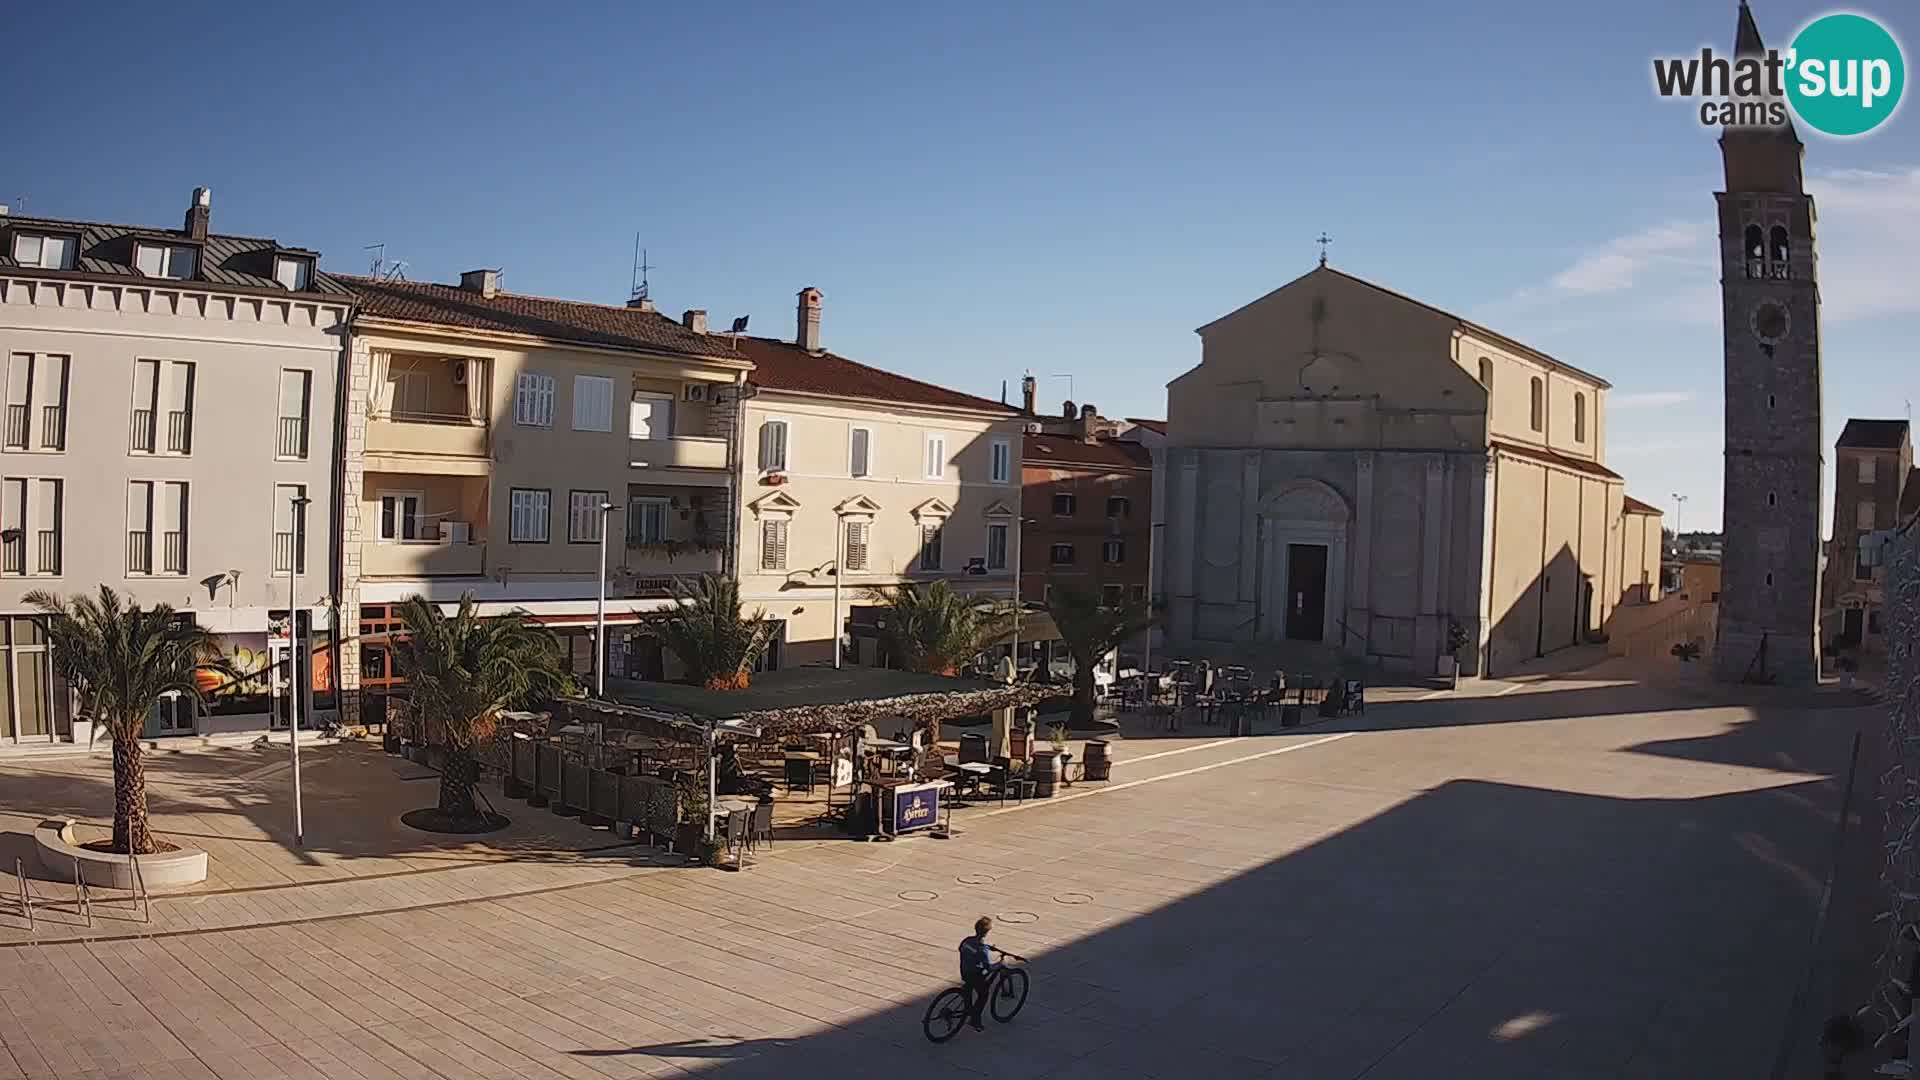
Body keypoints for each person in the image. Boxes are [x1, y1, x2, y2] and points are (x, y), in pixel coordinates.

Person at [958, 915, 999, 1030]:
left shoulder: (967, 940)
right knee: (983, 994)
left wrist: (985, 947)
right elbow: (989, 967)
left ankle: (968, 1008)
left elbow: (962, 948)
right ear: (986, 933)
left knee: (969, 990)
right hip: (975, 975)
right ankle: (975, 1020)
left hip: (964, 971)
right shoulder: (982, 949)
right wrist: (999, 964)